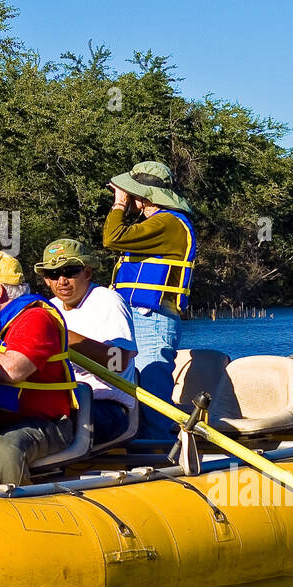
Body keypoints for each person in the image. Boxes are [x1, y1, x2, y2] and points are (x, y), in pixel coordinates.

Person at [0, 251, 79, 487]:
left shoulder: (35, 318)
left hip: (45, 425)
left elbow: (13, 369)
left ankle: (14, 512)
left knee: (4, 448)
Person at [103, 161, 199, 443]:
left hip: (151, 317)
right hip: (130, 318)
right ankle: (126, 443)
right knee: (117, 377)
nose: (125, 197)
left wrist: (119, 205)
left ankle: (159, 452)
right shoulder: (153, 224)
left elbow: (112, 237)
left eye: (130, 193)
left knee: (151, 385)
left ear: (144, 196)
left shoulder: (168, 222)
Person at [34, 238, 137, 446]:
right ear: (46, 279)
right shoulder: (47, 309)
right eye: (53, 274)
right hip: (64, 403)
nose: (62, 280)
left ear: (87, 273)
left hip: (108, 409)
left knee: (37, 431)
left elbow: (119, 363)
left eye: (70, 271)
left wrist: (64, 336)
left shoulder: (108, 301)